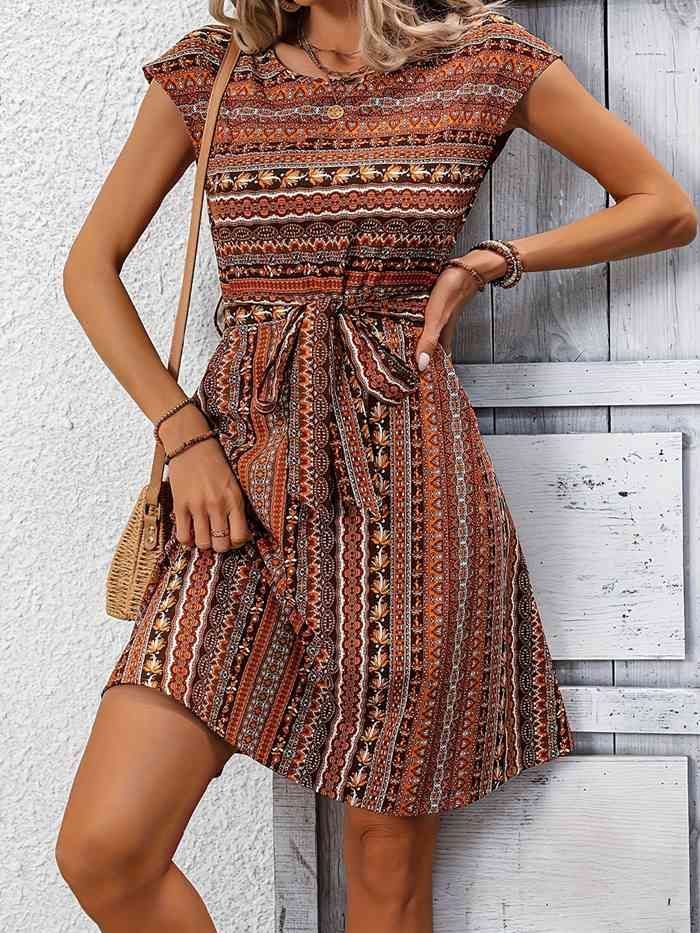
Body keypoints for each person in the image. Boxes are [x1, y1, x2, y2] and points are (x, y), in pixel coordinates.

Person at [56, 0, 697, 930]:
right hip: (236, 486)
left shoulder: (483, 57)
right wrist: (181, 432)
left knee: (384, 868)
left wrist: (491, 261)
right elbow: (89, 267)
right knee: (106, 850)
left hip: (410, 494)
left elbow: (664, 206)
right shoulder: (214, 68)